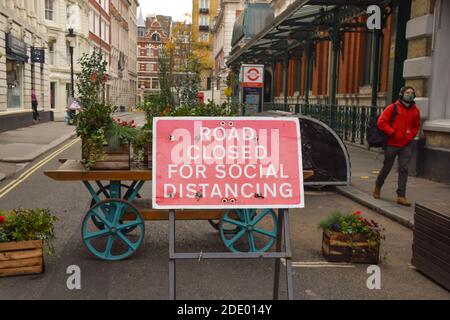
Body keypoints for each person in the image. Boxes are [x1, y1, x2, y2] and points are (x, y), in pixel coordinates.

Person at [373, 86, 421, 206]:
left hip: (406, 144)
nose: (409, 94)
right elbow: (381, 122)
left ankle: (401, 196)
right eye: (407, 92)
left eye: (411, 92)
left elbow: (416, 126)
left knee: (404, 169)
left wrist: (410, 137)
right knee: (387, 167)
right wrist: (392, 132)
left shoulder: (415, 110)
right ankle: (378, 186)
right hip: (392, 144)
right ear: (401, 94)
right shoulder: (392, 107)